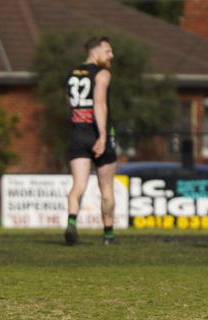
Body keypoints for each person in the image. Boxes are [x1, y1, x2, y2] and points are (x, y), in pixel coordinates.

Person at [64, 36, 117, 246]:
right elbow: (99, 104)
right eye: (108, 51)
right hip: (97, 134)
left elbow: (69, 104)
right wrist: (103, 136)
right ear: (95, 52)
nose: (111, 55)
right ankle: (109, 235)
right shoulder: (102, 73)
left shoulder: (70, 74)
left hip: (77, 133)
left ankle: (71, 222)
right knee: (107, 187)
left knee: (78, 184)